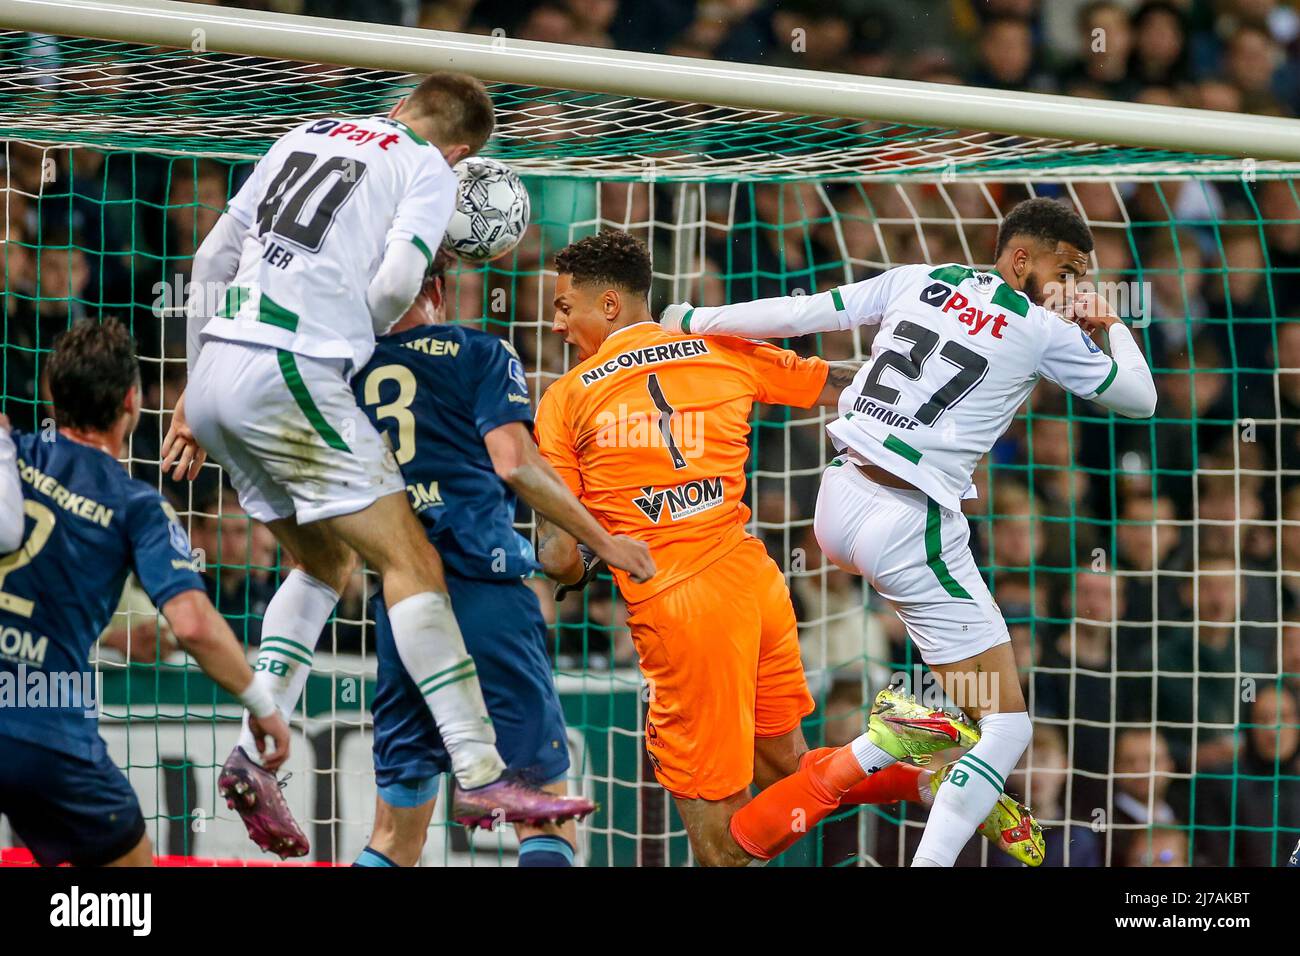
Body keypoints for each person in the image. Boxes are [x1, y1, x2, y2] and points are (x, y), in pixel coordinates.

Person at [161, 72, 610, 855]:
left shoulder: (303, 132)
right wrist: (347, 337)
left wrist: (195, 386)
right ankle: (480, 771)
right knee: (411, 561)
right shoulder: (426, 169)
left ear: (402, 105)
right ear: (463, 150)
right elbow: (399, 279)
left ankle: (251, 744)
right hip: (292, 362)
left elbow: (209, 258)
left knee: (322, 565)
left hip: (219, 370)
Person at [660, 196, 1157, 866]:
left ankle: (889, 742)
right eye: (1064, 269)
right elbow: (1141, 399)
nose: (1071, 287)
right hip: (909, 519)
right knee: (1007, 727)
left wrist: (693, 318)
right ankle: (911, 788)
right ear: (1019, 258)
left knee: (972, 703)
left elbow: (806, 311)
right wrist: (1112, 323)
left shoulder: (918, 277)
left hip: (837, 500)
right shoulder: (1042, 330)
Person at [533, 229, 1031, 866]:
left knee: (722, 851)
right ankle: (924, 778)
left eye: (563, 306)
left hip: (681, 612)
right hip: (756, 585)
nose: (554, 323)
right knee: (787, 772)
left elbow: (556, 554)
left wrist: (581, 562)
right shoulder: (716, 347)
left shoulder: (566, 397)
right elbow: (842, 383)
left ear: (607, 306)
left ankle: (872, 747)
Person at [351, 253, 652, 866]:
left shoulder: (346, 370)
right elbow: (514, 464)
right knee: (543, 812)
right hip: (484, 590)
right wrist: (605, 542)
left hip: (402, 603)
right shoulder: (480, 352)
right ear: (436, 288)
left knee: (394, 835)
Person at [0, 319, 290, 866]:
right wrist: (260, 703)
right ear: (132, 402)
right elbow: (193, 624)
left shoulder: (10, 454)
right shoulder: (137, 505)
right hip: (51, 738)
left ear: (50, 393)